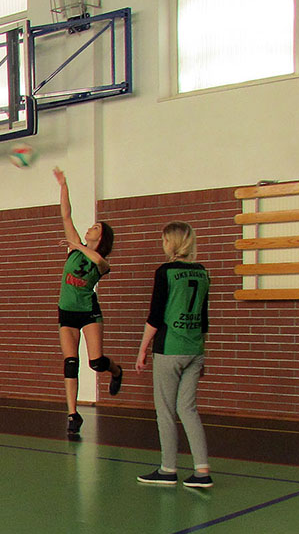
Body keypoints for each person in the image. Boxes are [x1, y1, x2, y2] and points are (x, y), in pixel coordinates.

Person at [136, 221, 212, 488]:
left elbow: (155, 316)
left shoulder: (165, 272)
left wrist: (143, 348)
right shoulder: (202, 273)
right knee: (188, 409)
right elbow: (204, 317)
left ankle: (168, 468)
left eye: (164, 240)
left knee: (166, 411)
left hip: (170, 349)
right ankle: (202, 470)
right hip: (194, 349)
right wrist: (202, 351)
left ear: (171, 243)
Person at [53, 167, 122, 435]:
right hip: (67, 312)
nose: (90, 228)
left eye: (96, 228)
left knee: (96, 362)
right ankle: (73, 415)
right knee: (71, 362)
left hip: (88, 311)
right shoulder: (75, 248)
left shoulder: (100, 261)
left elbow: (100, 263)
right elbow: (66, 215)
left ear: (101, 238)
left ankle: (116, 371)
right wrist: (64, 186)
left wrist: (79, 246)